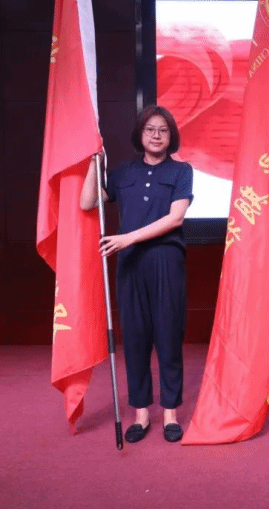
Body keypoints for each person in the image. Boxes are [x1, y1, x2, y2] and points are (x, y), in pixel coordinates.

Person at [79, 105, 193, 443]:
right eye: (150, 129)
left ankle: (170, 413)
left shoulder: (181, 170)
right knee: (135, 338)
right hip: (130, 264)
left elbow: (175, 218)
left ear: (171, 137)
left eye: (163, 130)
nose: (156, 135)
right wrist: (94, 162)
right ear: (140, 135)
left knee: (168, 336)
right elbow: (87, 202)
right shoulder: (123, 172)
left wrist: (127, 238)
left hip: (165, 260)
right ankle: (141, 414)